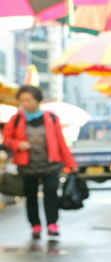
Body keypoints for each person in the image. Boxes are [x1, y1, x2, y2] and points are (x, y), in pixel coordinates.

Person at [2, 85, 76, 239]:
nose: (25, 103)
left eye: (28, 100)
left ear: (37, 100)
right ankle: (35, 225)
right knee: (31, 196)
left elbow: (60, 142)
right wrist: (18, 145)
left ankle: (52, 224)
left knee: (51, 193)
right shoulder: (16, 119)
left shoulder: (51, 118)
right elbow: (7, 139)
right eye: (22, 100)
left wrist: (71, 163)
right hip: (27, 165)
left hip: (50, 164)